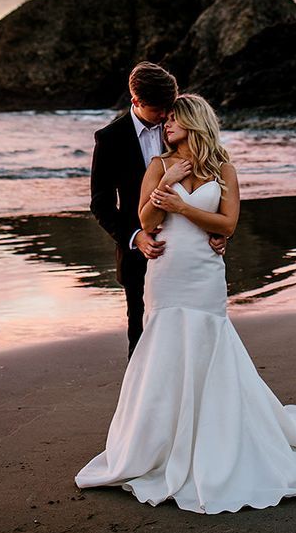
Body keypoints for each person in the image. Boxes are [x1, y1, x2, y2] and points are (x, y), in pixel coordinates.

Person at [76, 94, 296, 515]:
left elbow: (227, 223)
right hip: (167, 272)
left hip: (205, 275)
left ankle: (215, 441)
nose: (167, 125)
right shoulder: (159, 165)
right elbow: (145, 222)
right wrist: (165, 185)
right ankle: (158, 444)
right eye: (167, 118)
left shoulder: (224, 169)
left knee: (209, 346)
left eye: (175, 119)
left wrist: (183, 207)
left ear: (196, 123)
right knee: (164, 348)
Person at [89, 63, 226, 358]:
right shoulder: (110, 138)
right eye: (158, 110)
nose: (165, 117)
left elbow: (210, 184)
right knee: (142, 337)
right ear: (136, 101)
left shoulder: (180, 127)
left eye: (169, 108)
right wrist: (135, 236)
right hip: (141, 253)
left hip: (192, 254)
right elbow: (100, 203)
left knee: (194, 333)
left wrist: (218, 231)